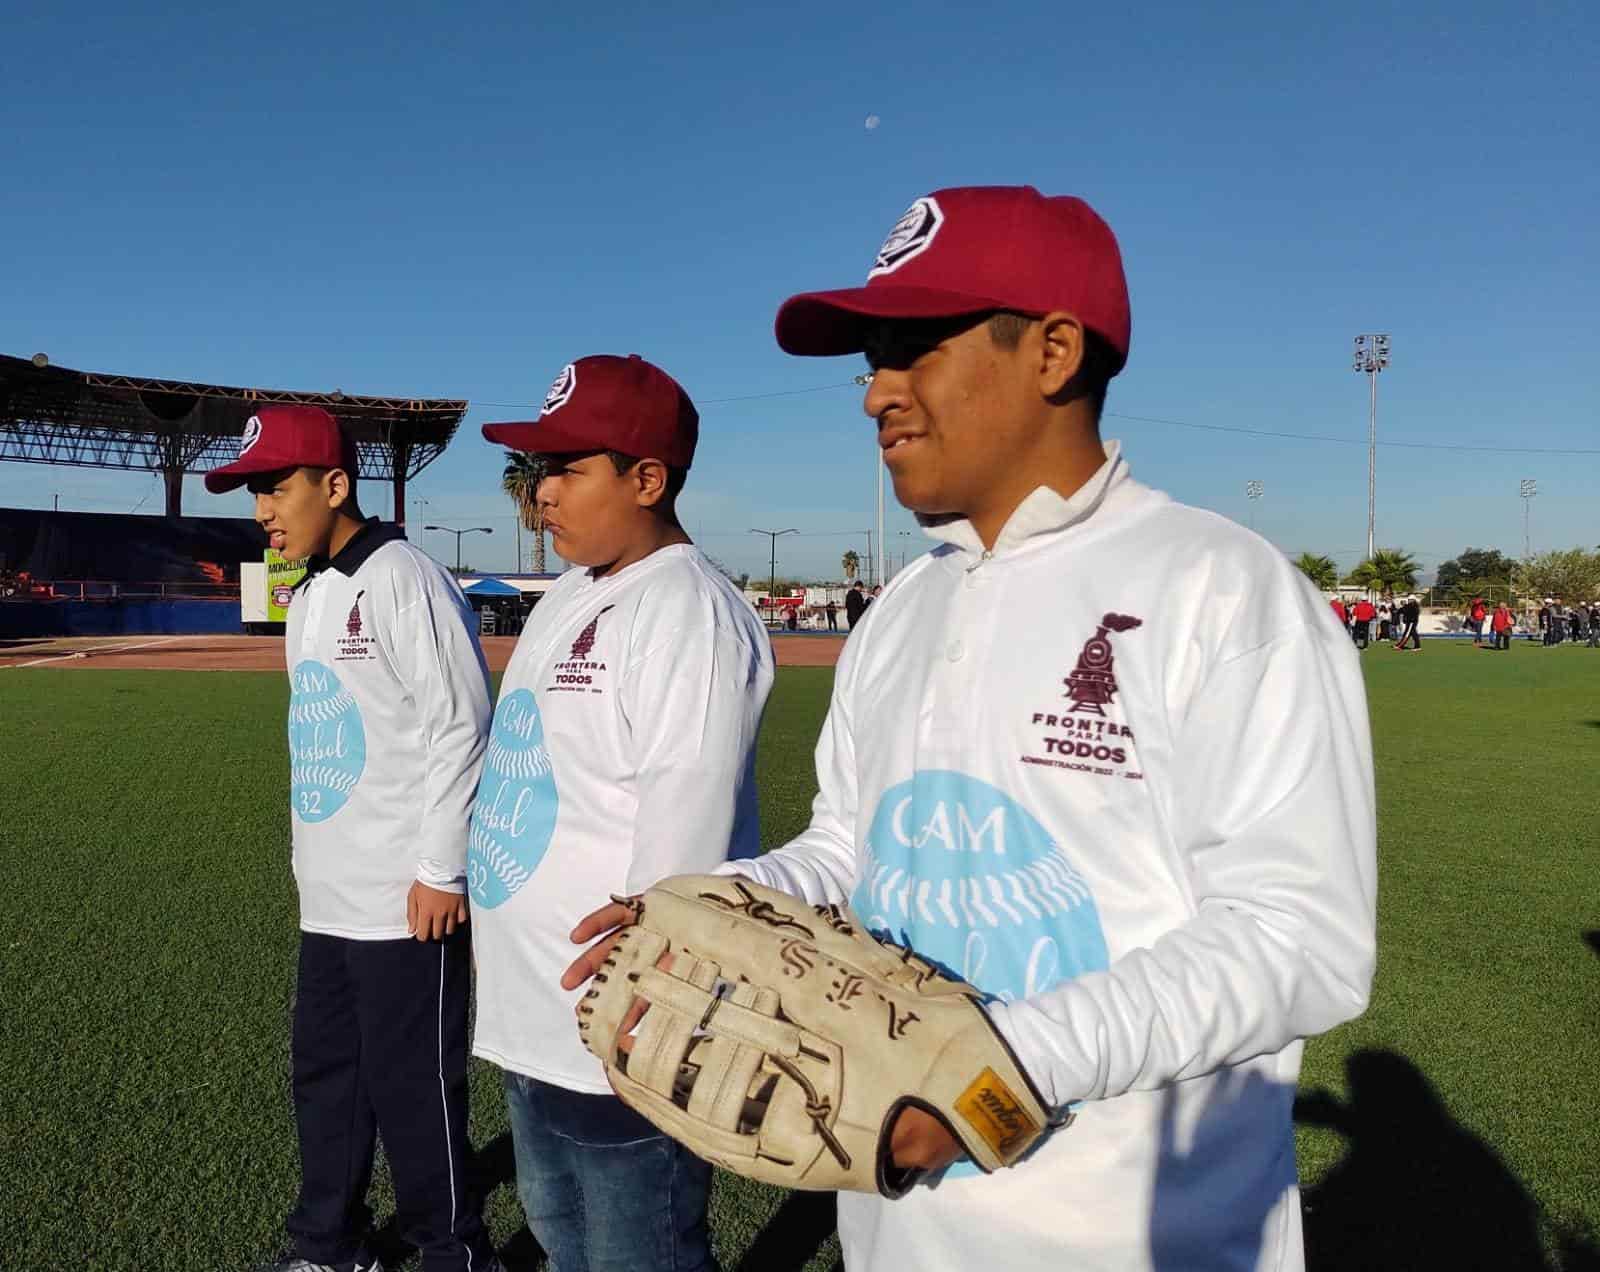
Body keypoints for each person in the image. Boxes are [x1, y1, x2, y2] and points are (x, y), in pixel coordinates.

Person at [566, 185, 1376, 1272]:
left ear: (1051, 351)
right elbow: (855, 845)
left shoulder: (1220, 587)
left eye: (911, 349)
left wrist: (996, 1067)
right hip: (898, 1220)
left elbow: (1298, 936)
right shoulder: (906, 603)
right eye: (871, 360)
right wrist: (717, 902)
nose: (874, 396)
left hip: (1137, 1240)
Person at [468, 354, 774, 1272]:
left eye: (567, 468)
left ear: (648, 479)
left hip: (621, 1025)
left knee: (640, 1254)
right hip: (533, 1008)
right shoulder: (572, 590)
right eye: (538, 469)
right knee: (562, 1236)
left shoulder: (689, 612)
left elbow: (688, 841)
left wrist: (648, 1005)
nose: (542, 492)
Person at [205, 405, 500, 1272]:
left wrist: (441, 870)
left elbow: (461, 724)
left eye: (276, 486)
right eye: (254, 489)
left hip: (407, 896)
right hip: (330, 894)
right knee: (326, 1078)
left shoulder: (404, 577)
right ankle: (329, 1245)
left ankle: (453, 1253)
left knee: (415, 1091)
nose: (262, 507)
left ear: (335, 485)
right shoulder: (313, 592)